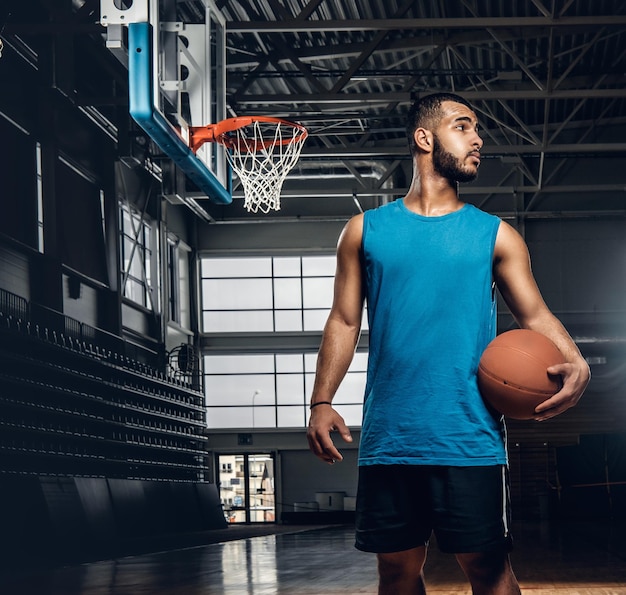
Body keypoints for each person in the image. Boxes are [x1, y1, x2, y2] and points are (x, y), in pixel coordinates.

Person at [306, 92, 590, 595]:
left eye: (478, 130)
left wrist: (576, 362)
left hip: (468, 437)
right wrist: (322, 400)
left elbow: (535, 314)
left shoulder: (495, 235)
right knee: (395, 571)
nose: (478, 139)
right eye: (463, 127)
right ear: (424, 138)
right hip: (390, 439)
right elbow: (344, 321)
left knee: (488, 570)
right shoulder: (364, 231)